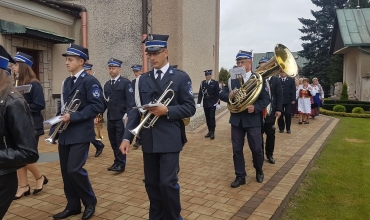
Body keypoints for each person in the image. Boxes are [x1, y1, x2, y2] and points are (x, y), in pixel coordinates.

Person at [119, 34, 195, 220]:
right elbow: (135, 110)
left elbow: (190, 107)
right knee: (152, 184)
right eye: (149, 54)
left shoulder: (180, 77)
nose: (152, 58)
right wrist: (127, 137)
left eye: (156, 53)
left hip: (170, 137)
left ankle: (174, 217)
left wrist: (167, 110)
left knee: (167, 183)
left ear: (166, 52)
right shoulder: (141, 81)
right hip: (149, 138)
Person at [50, 44, 104, 220]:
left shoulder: (90, 81)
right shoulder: (67, 81)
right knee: (66, 172)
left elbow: (98, 105)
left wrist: (72, 117)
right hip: (66, 133)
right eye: (66, 59)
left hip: (81, 132)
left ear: (81, 61)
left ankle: (90, 201)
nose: (67, 62)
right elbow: (65, 107)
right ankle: (73, 205)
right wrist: (54, 127)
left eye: (70, 59)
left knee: (74, 169)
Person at [219, 50, 270, 188]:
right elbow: (222, 94)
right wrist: (229, 95)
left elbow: (266, 99)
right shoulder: (231, 79)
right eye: (238, 62)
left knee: (256, 149)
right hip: (236, 120)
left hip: (253, 119)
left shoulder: (258, 78)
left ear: (250, 62)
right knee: (236, 150)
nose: (240, 64)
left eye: (242, 62)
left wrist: (256, 107)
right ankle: (240, 176)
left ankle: (259, 170)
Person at [0, 45, 39, 219]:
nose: (15, 68)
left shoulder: (13, 100)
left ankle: (34, 181)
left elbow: (28, 152)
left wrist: (25, 109)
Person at [11, 52, 48, 199]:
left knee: (24, 156)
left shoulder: (34, 84)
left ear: (23, 66)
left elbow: (39, 105)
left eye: (15, 64)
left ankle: (39, 178)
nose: (13, 67)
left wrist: (21, 105)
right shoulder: (16, 84)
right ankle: (24, 186)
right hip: (18, 125)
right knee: (17, 156)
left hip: (32, 125)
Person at [103, 58, 134, 172]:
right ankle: (117, 161)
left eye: (114, 68)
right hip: (111, 117)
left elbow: (130, 102)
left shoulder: (126, 83)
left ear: (119, 69)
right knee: (113, 141)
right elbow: (104, 102)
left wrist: (129, 116)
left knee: (120, 140)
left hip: (121, 118)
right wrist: (98, 114)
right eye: (110, 68)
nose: (111, 70)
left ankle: (121, 163)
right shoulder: (106, 85)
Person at [258, 57, 282, 164]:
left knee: (271, 135)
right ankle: (259, 155)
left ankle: (269, 154)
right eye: (262, 66)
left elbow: (279, 95)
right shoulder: (257, 80)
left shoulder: (276, 80)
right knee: (258, 135)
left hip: (271, 112)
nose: (264, 68)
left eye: (266, 66)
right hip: (258, 113)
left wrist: (279, 109)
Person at [83, 63, 105, 157]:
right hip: (84, 112)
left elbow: (98, 101)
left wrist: (98, 116)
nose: (85, 73)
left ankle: (98, 145)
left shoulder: (93, 81)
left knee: (88, 133)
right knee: (87, 133)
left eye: (87, 71)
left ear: (91, 71)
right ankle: (99, 145)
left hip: (92, 112)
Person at [197, 70, 220, 139]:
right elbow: (200, 93)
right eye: (206, 75)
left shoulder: (215, 83)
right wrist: (198, 102)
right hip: (206, 102)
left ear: (211, 75)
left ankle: (213, 132)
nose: (207, 77)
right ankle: (209, 131)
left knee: (211, 117)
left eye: (208, 75)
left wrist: (218, 103)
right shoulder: (203, 83)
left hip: (213, 102)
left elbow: (217, 94)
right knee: (207, 118)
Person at [131, 64, 143, 148]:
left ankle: (143, 139)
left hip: (143, 105)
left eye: (137, 71)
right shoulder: (133, 82)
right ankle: (138, 140)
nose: (136, 73)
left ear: (141, 71)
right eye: (134, 72)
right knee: (137, 123)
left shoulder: (143, 80)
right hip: (136, 105)